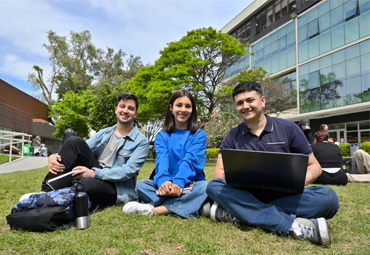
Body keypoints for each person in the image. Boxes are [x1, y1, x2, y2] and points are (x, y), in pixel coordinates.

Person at [206, 81, 339, 246]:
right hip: (246, 194)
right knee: (213, 186)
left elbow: (315, 167)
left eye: (250, 100)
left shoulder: (289, 128)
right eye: (239, 103)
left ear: (262, 101)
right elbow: (218, 174)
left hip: (283, 195)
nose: (245, 106)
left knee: (329, 198)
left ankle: (239, 212)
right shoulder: (231, 136)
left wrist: (292, 183)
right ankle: (291, 226)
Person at [20, 93, 149, 208]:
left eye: (130, 108)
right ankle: (45, 192)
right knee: (74, 141)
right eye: (122, 106)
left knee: (85, 185)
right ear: (116, 110)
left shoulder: (141, 142)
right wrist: (54, 156)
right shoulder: (105, 133)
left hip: (116, 187)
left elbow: (128, 171)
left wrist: (94, 173)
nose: (125, 111)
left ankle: (56, 197)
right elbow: (80, 148)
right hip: (95, 173)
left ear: (135, 114)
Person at [123, 90, 208, 219]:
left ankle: (156, 210)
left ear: (192, 110)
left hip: (190, 185)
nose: (183, 109)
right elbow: (162, 160)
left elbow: (190, 161)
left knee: (206, 187)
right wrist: (164, 181)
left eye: (188, 106)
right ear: (171, 108)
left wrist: (179, 183)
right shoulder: (162, 136)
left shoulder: (199, 134)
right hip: (166, 187)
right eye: (179, 105)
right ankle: (191, 205)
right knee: (142, 185)